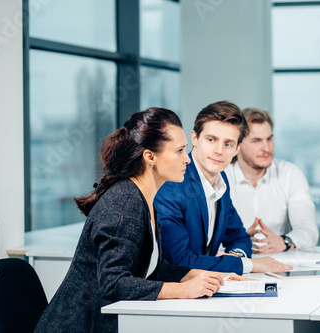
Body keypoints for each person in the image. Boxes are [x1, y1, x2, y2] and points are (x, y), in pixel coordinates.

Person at [35, 108, 245, 333]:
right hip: (81, 327)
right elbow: (113, 283)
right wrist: (184, 290)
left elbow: (154, 267)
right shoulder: (126, 201)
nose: (187, 158)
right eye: (180, 151)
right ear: (150, 157)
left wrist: (208, 277)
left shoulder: (145, 198)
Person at [155, 101, 292, 274]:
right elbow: (178, 260)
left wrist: (235, 256)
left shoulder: (221, 180)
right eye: (211, 140)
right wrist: (248, 265)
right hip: (171, 294)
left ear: (237, 148)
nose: (219, 151)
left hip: (206, 288)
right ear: (195, 138)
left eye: (228, 144)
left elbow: (239, 237)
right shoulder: (173, 183)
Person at [225, 108, 319, 254]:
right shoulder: (222, 178)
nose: (266, 148)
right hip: (234, 263)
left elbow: (309, 230)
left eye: (269, 139)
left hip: (280, 263)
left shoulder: (290, 174)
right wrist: (236, 239)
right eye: (256, 141)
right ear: (239, 145)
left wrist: (285, 241)